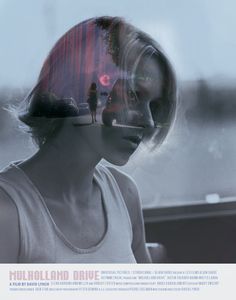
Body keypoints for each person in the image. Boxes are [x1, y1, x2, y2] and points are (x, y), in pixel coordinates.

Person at [0, 16, 176, 263]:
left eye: (154, 105)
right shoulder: (7, 211)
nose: (148, 122)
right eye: (134, 96)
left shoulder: (125, 196)